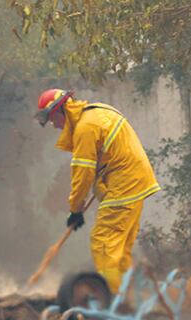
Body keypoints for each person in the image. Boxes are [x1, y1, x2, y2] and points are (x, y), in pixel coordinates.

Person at [36, 89, 160, 292]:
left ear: (62, 110)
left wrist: (76, 209)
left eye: (52, 119)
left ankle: (112, 298)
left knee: (103, 242)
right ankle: (130, 296)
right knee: (119, 248)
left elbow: (82, 174)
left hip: (125, 183)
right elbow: (102, 163)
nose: (54, 125)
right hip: (134, 180)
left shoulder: (85, 128)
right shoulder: (95, 113)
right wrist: (101, 191)